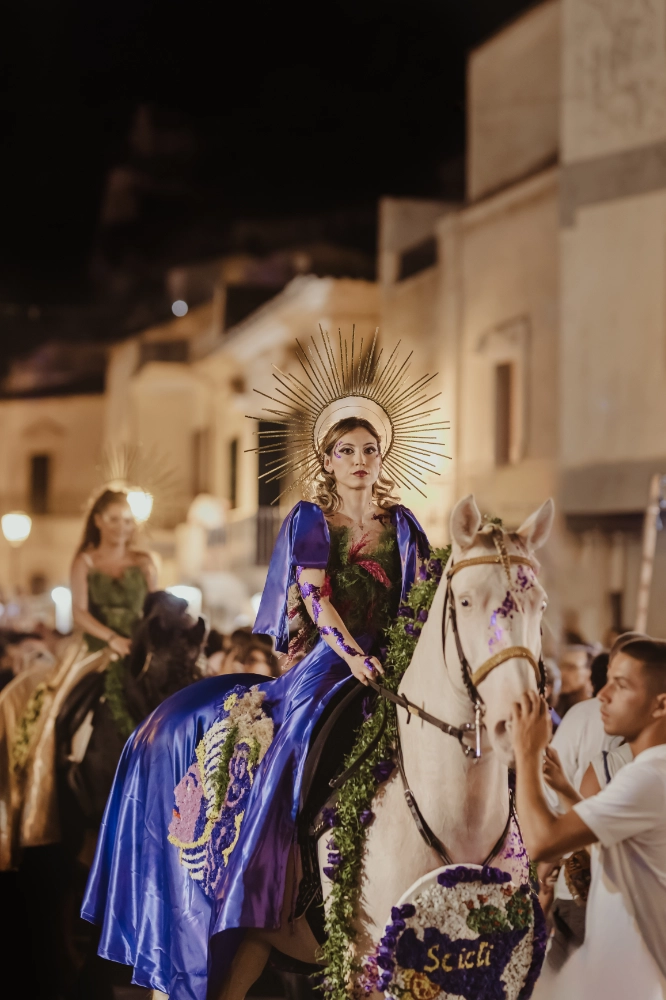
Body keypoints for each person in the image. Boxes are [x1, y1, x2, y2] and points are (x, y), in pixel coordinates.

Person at [82, 413, 429, 1000]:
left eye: (370, 449)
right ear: (327, 460)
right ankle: (267, 876)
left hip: (398, 659)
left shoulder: (402, 525)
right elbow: (317, 600)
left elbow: (420, 599)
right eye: (346, 451)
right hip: (331, 662)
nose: (360, 460)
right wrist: (351, 657)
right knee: (290, 746)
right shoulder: (312, 520)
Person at [512, 635, 666, 1000]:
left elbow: (541, 841)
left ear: (661, 706)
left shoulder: (652, 776)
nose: (603, 694)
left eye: (622, 685)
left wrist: (527, 754)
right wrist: (567, 791)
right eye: (608, 679)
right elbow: (614, 843)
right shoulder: (645, 769)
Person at [555, 644, 593, 718]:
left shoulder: (594, 711)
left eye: (571, 667)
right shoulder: (555, 707)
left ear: (589, 672)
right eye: (561, 666)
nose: (562, 673)